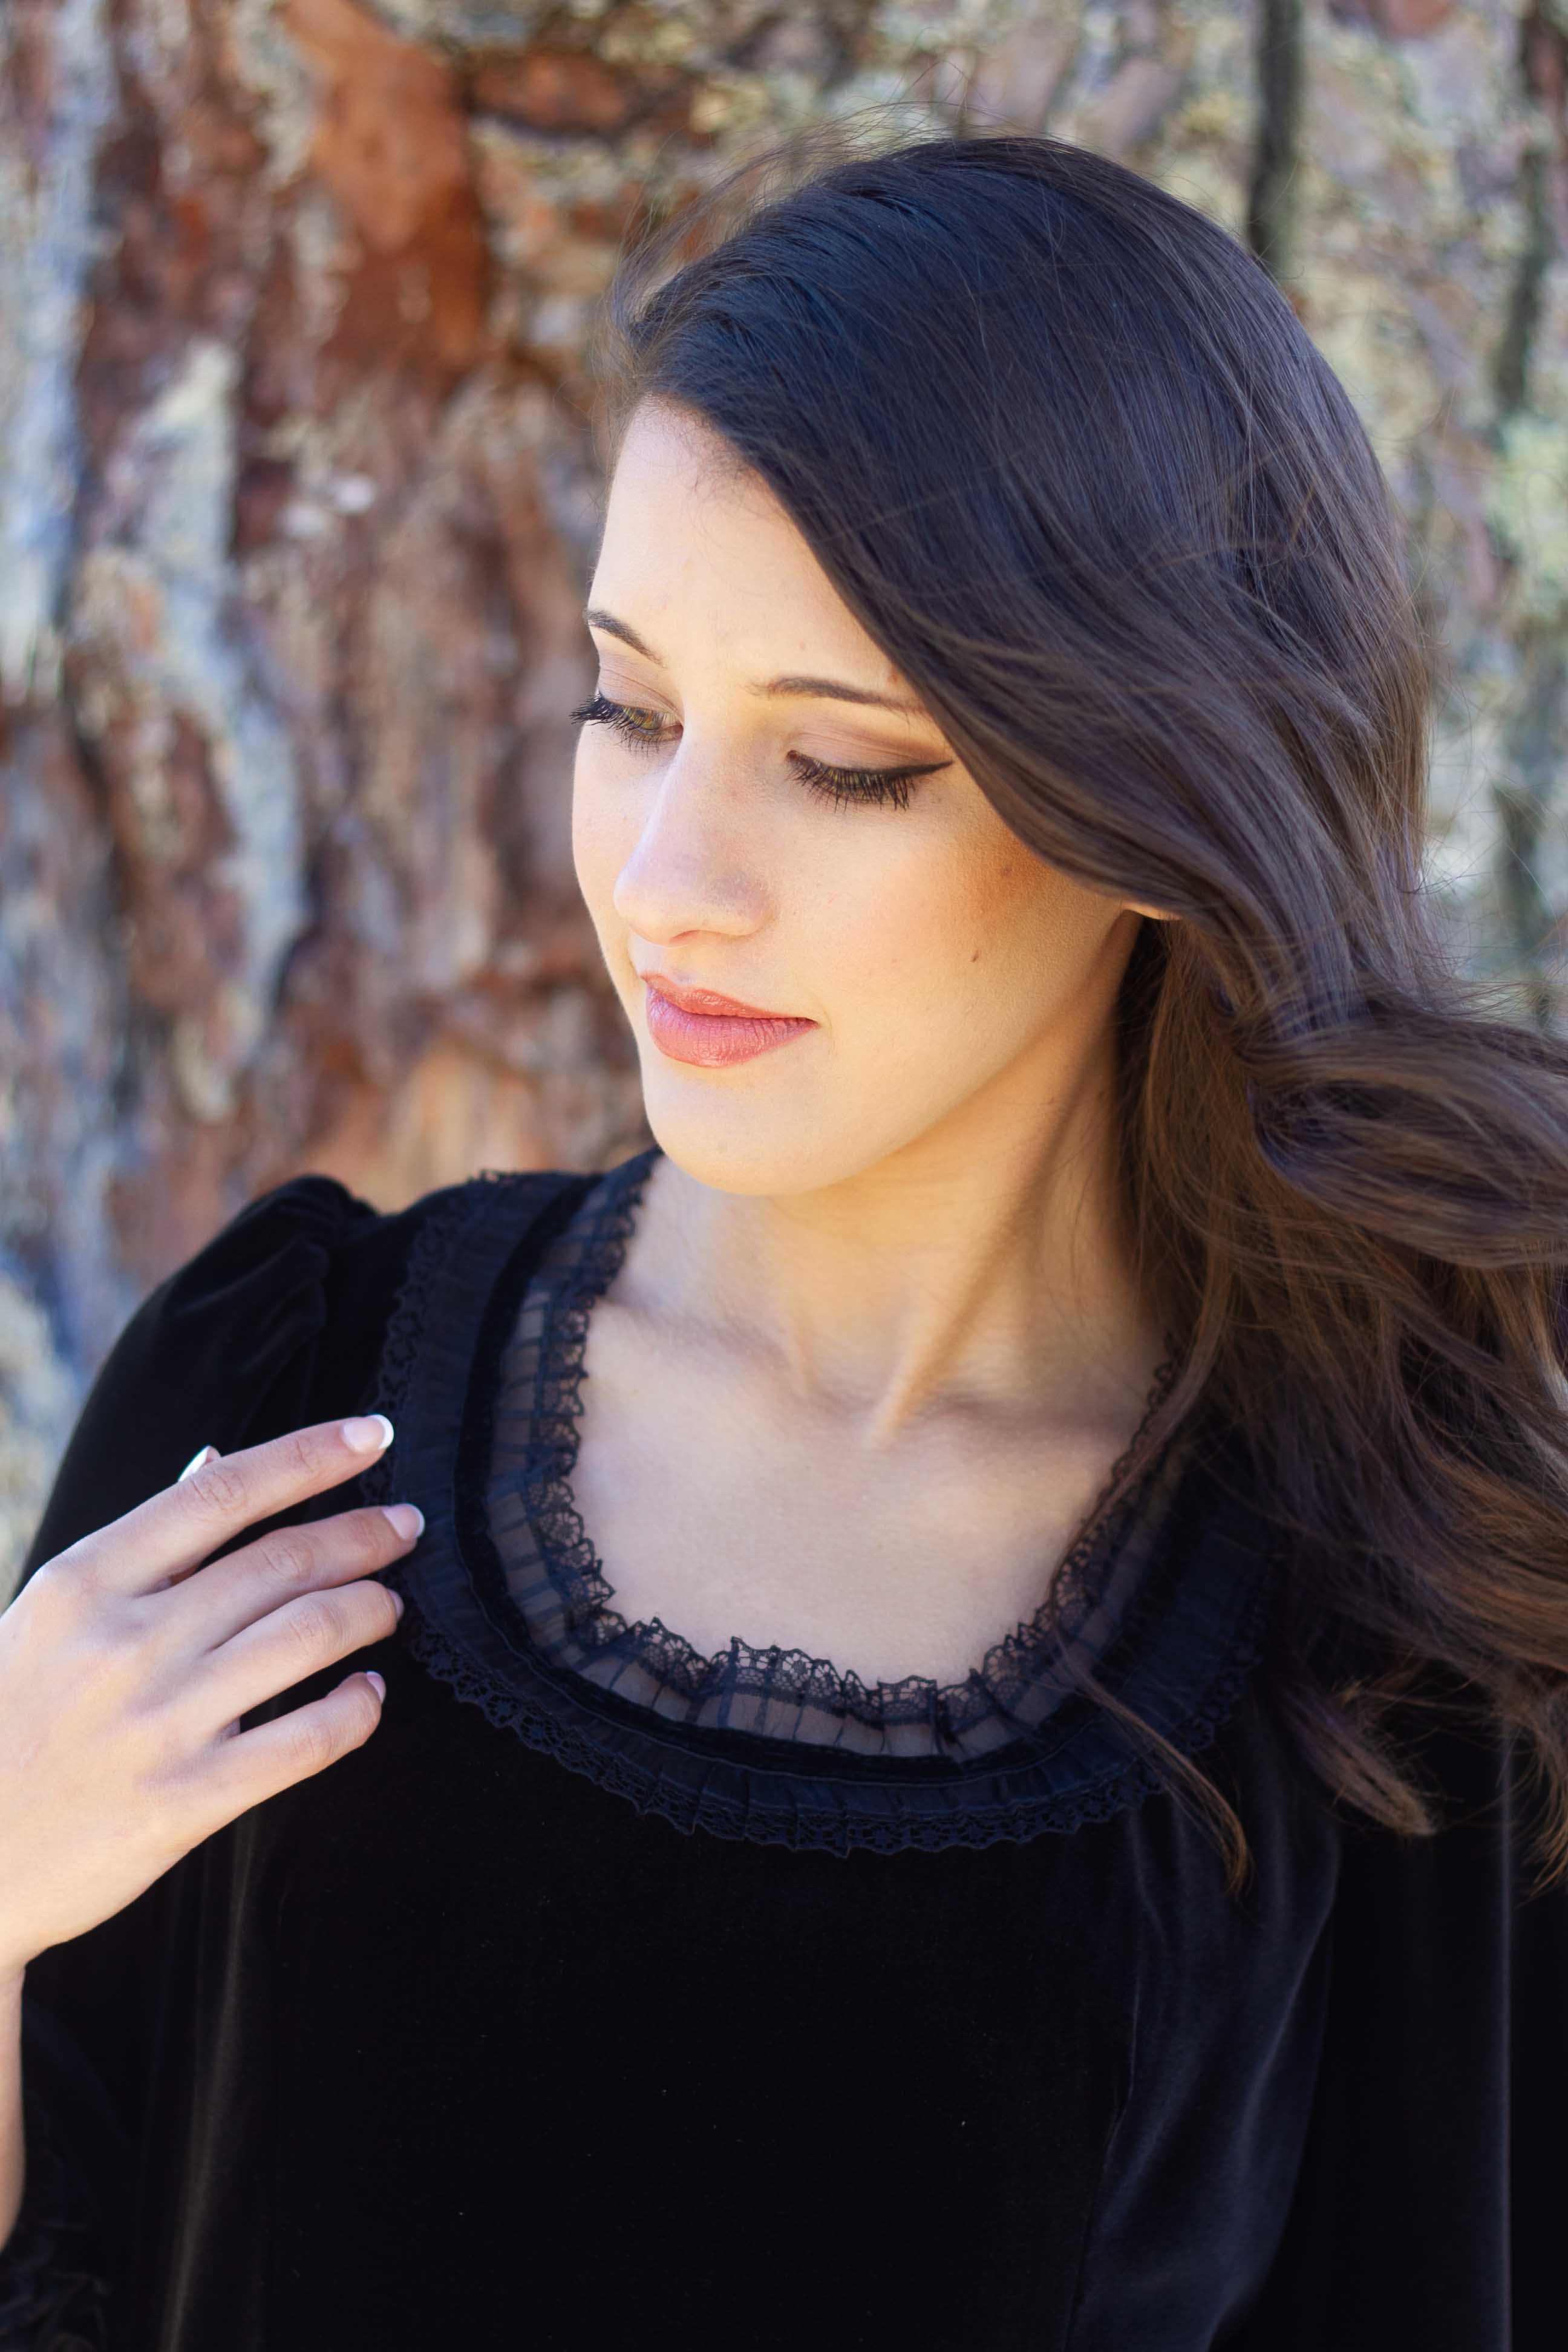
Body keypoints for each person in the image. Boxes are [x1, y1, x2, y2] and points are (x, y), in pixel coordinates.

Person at [2, 125, 1566, 2351]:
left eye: (843, 764)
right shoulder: (287, 1394)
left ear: (1156, 803)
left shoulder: (1389, 1670)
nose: (665, 874)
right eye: (630, 707)